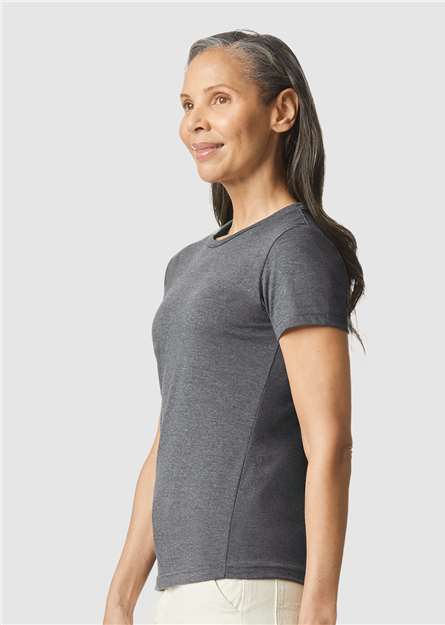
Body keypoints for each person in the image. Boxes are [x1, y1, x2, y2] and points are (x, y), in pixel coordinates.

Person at [103, 29, 365, 625]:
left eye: (219, 99)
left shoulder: (294, 249)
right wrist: (120, 597)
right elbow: (172, 437)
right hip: (183, 587)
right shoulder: (186, 264)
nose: (195, 121)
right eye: (187, 104)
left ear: (282, 111)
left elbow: (329, 439)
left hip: (248, 588)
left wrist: (320, 605)